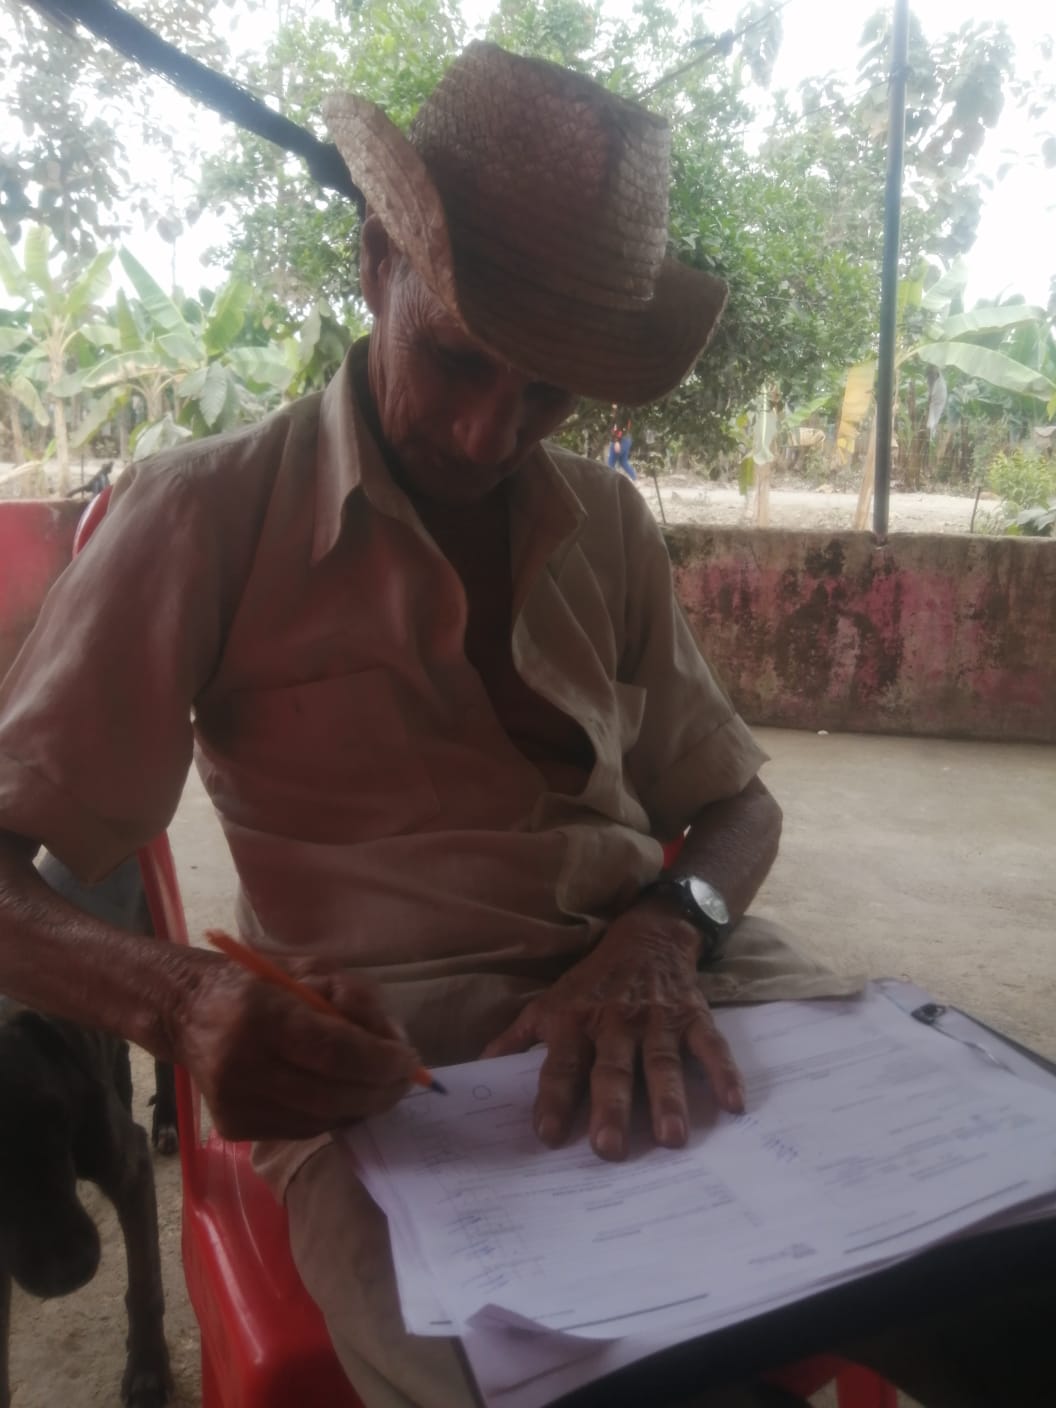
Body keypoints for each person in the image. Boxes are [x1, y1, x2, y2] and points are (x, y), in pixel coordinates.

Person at [0, 42, 1050, 1408]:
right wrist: (186, 1000)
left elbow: (737, 805)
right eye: (455, 359)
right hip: (406, 1081)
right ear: (375, 263)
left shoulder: (605, 523)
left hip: (697, 995)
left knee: (1019, 1267)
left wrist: (668, 928)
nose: (490, 433)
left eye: (547, 392)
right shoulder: (204, 515)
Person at [608, 404, 637, 481]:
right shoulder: (625, 411)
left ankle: (612, 482)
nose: (613, 406)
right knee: (623, 462)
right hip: (627, 439)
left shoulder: (620, 413)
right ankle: (634, 479)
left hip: (621, 441)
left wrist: (617, 441)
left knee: (610, 464)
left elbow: (619, 427)